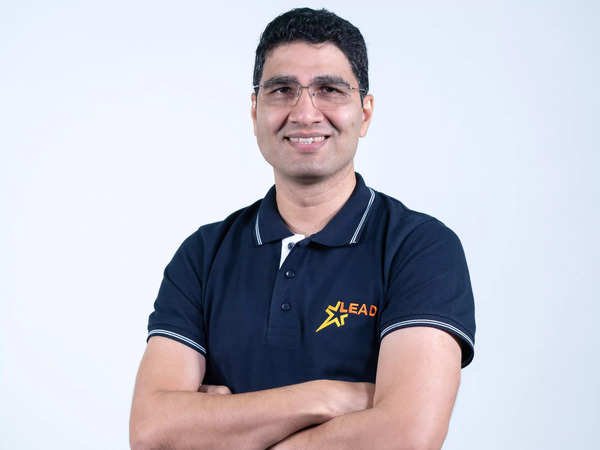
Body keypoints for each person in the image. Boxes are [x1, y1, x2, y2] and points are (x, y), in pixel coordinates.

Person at [129, 7, 476, 450]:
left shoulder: (419, 248)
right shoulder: (203, 255)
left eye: (329, 90)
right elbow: (152, 431)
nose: (305, 113)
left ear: (365, 112)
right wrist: (327, 397)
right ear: (254, 110)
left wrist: (221, 425)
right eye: (282, 90)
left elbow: (407, 436)